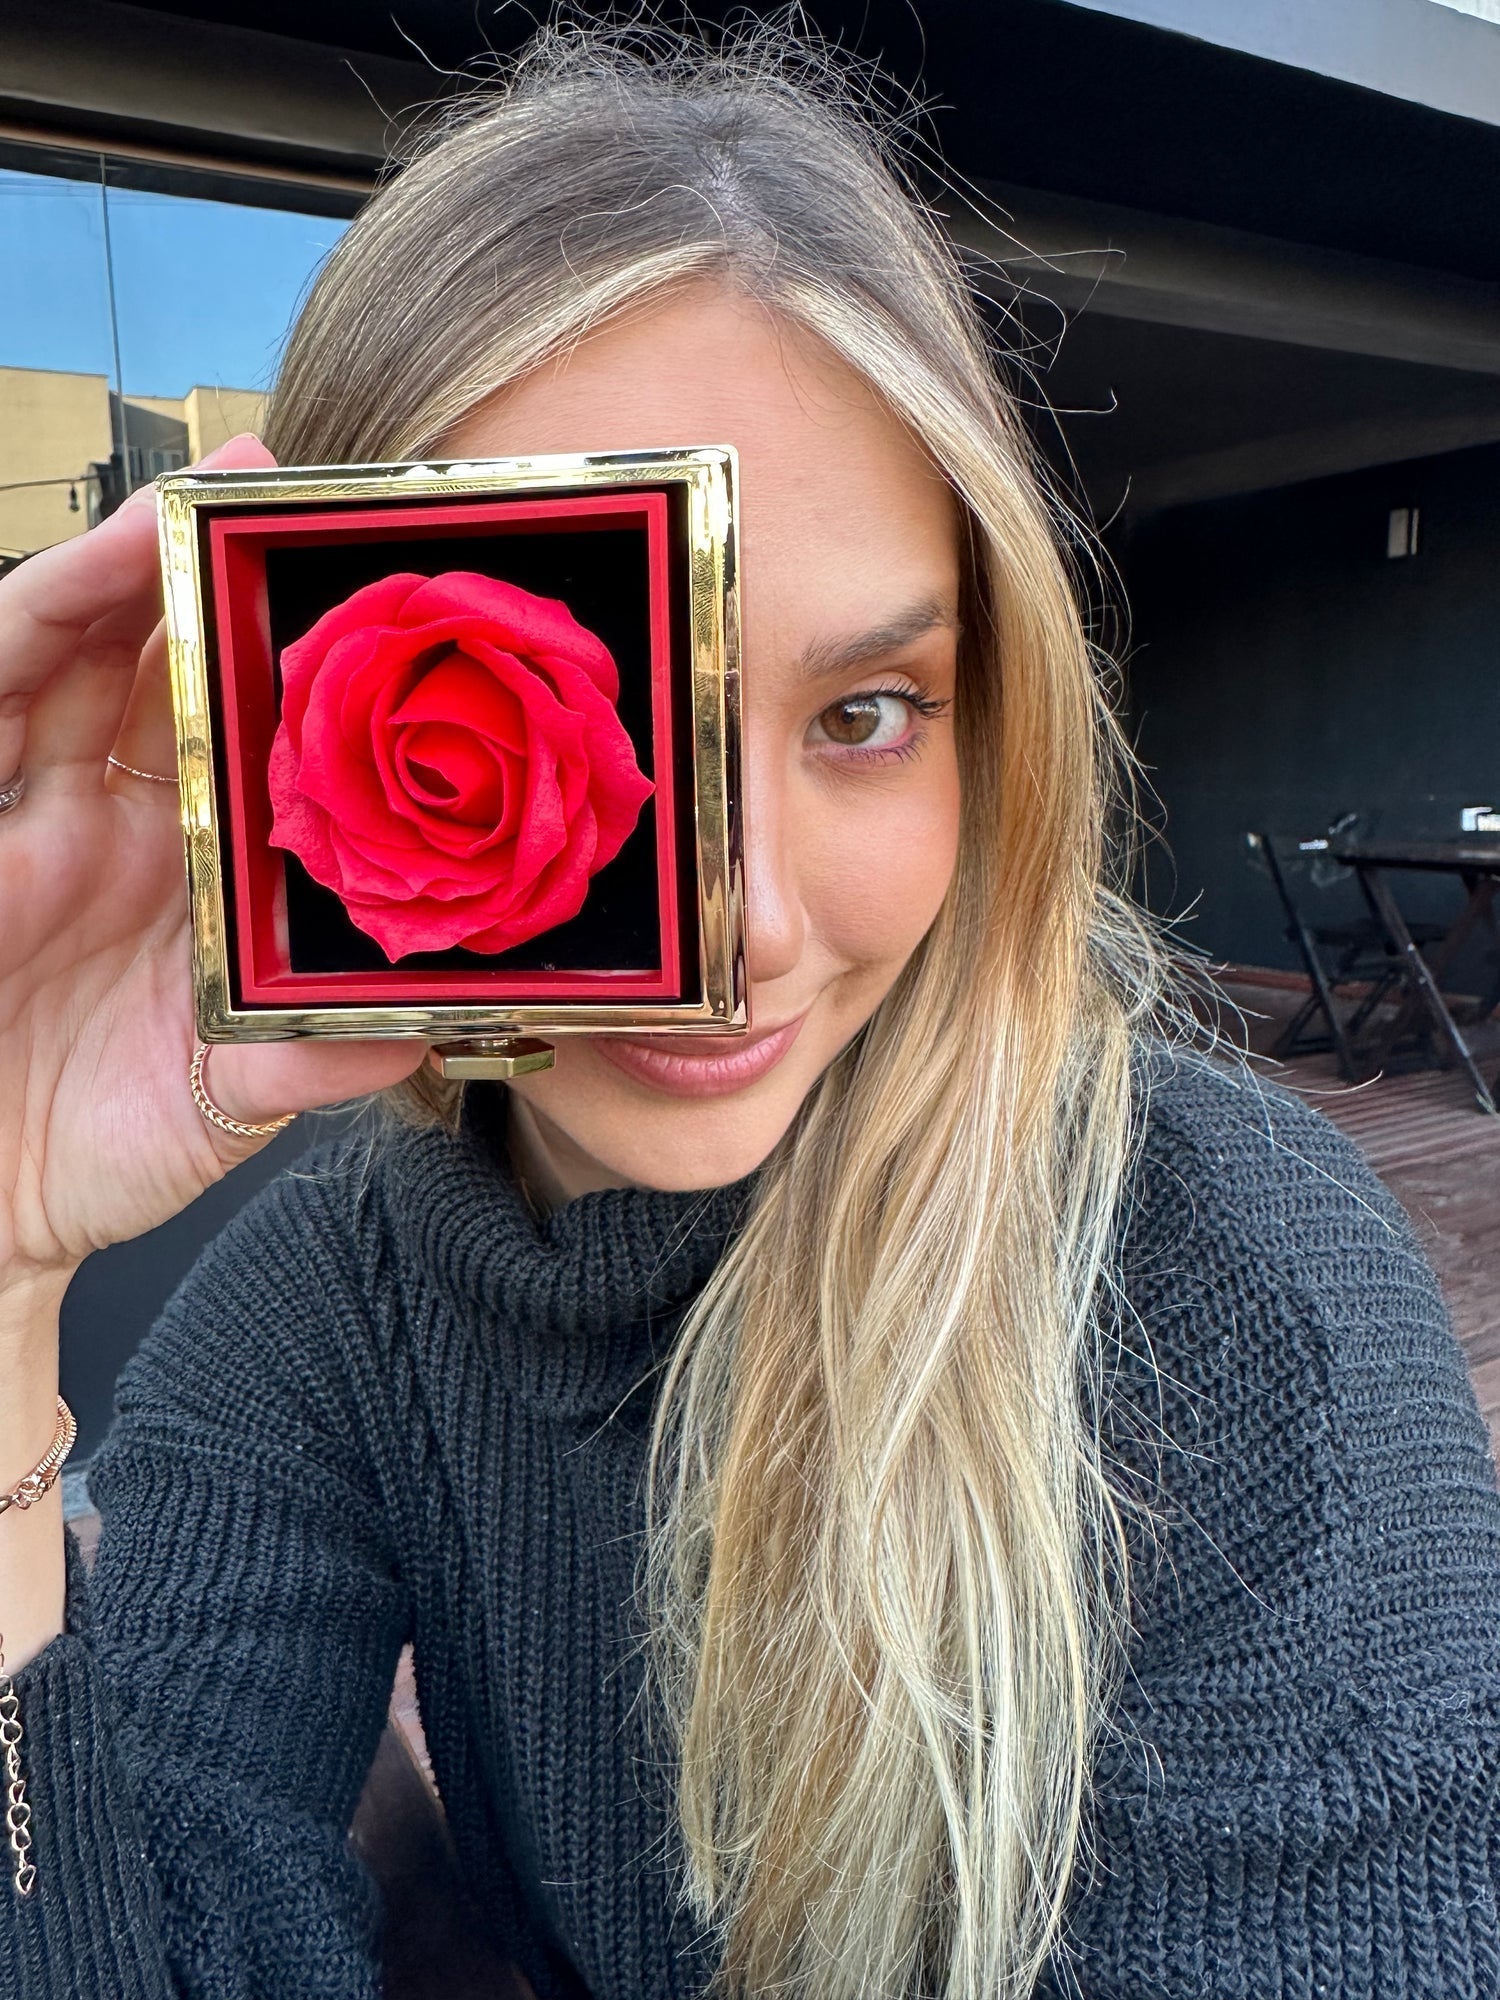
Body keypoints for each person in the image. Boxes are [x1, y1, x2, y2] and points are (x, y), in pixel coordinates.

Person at [2, 24, 1498, 2000]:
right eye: (599, 697)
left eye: (862, 715)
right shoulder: (352, 1283)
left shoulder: (1240, 1288)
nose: (762, 923)